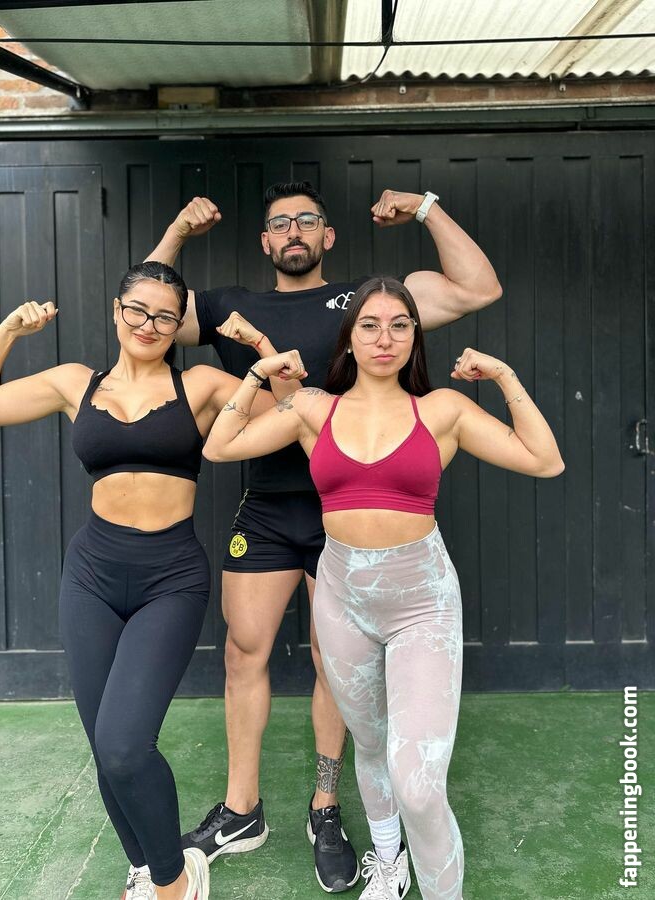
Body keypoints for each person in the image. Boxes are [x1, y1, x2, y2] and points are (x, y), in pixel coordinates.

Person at [146, 182, 502, 892]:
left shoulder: (367, 306)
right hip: (266, 508)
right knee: (243, 650)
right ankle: (242, 810)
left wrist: (426, 208)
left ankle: (326, 806)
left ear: (328, 236)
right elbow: (148, 312)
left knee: (334, 665)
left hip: (349, 514)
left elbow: (477, 288)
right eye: (280, 223)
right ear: (265, 241)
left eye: (307, 220)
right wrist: (178, 230)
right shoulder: (230, 305)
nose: (294, 231)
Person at [201, 275, 564, 900]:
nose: (384, 338)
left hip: (421, 602)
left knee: (418, 781)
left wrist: (506, 377)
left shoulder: (442, 410)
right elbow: (220, 445)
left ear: (415, 337)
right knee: (369, 744)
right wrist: (258, 373)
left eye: (400, 325)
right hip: (343, 596)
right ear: (350, 337)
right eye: (369, 325)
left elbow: (544, 459)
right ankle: (388, 859)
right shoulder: (312, 408)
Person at [0, 262, 302, 900]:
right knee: (103, 746)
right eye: (137, 310)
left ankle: (174, 880)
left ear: (177, 325)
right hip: (92, 574)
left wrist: (259, 347)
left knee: (123, 746)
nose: (149, 324)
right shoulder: (74, 383)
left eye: (165, 316)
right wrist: (9, 331)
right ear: (116, 311)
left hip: (171, 577)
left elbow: (294, 410)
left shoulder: (200, 384)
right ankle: (147, 869)